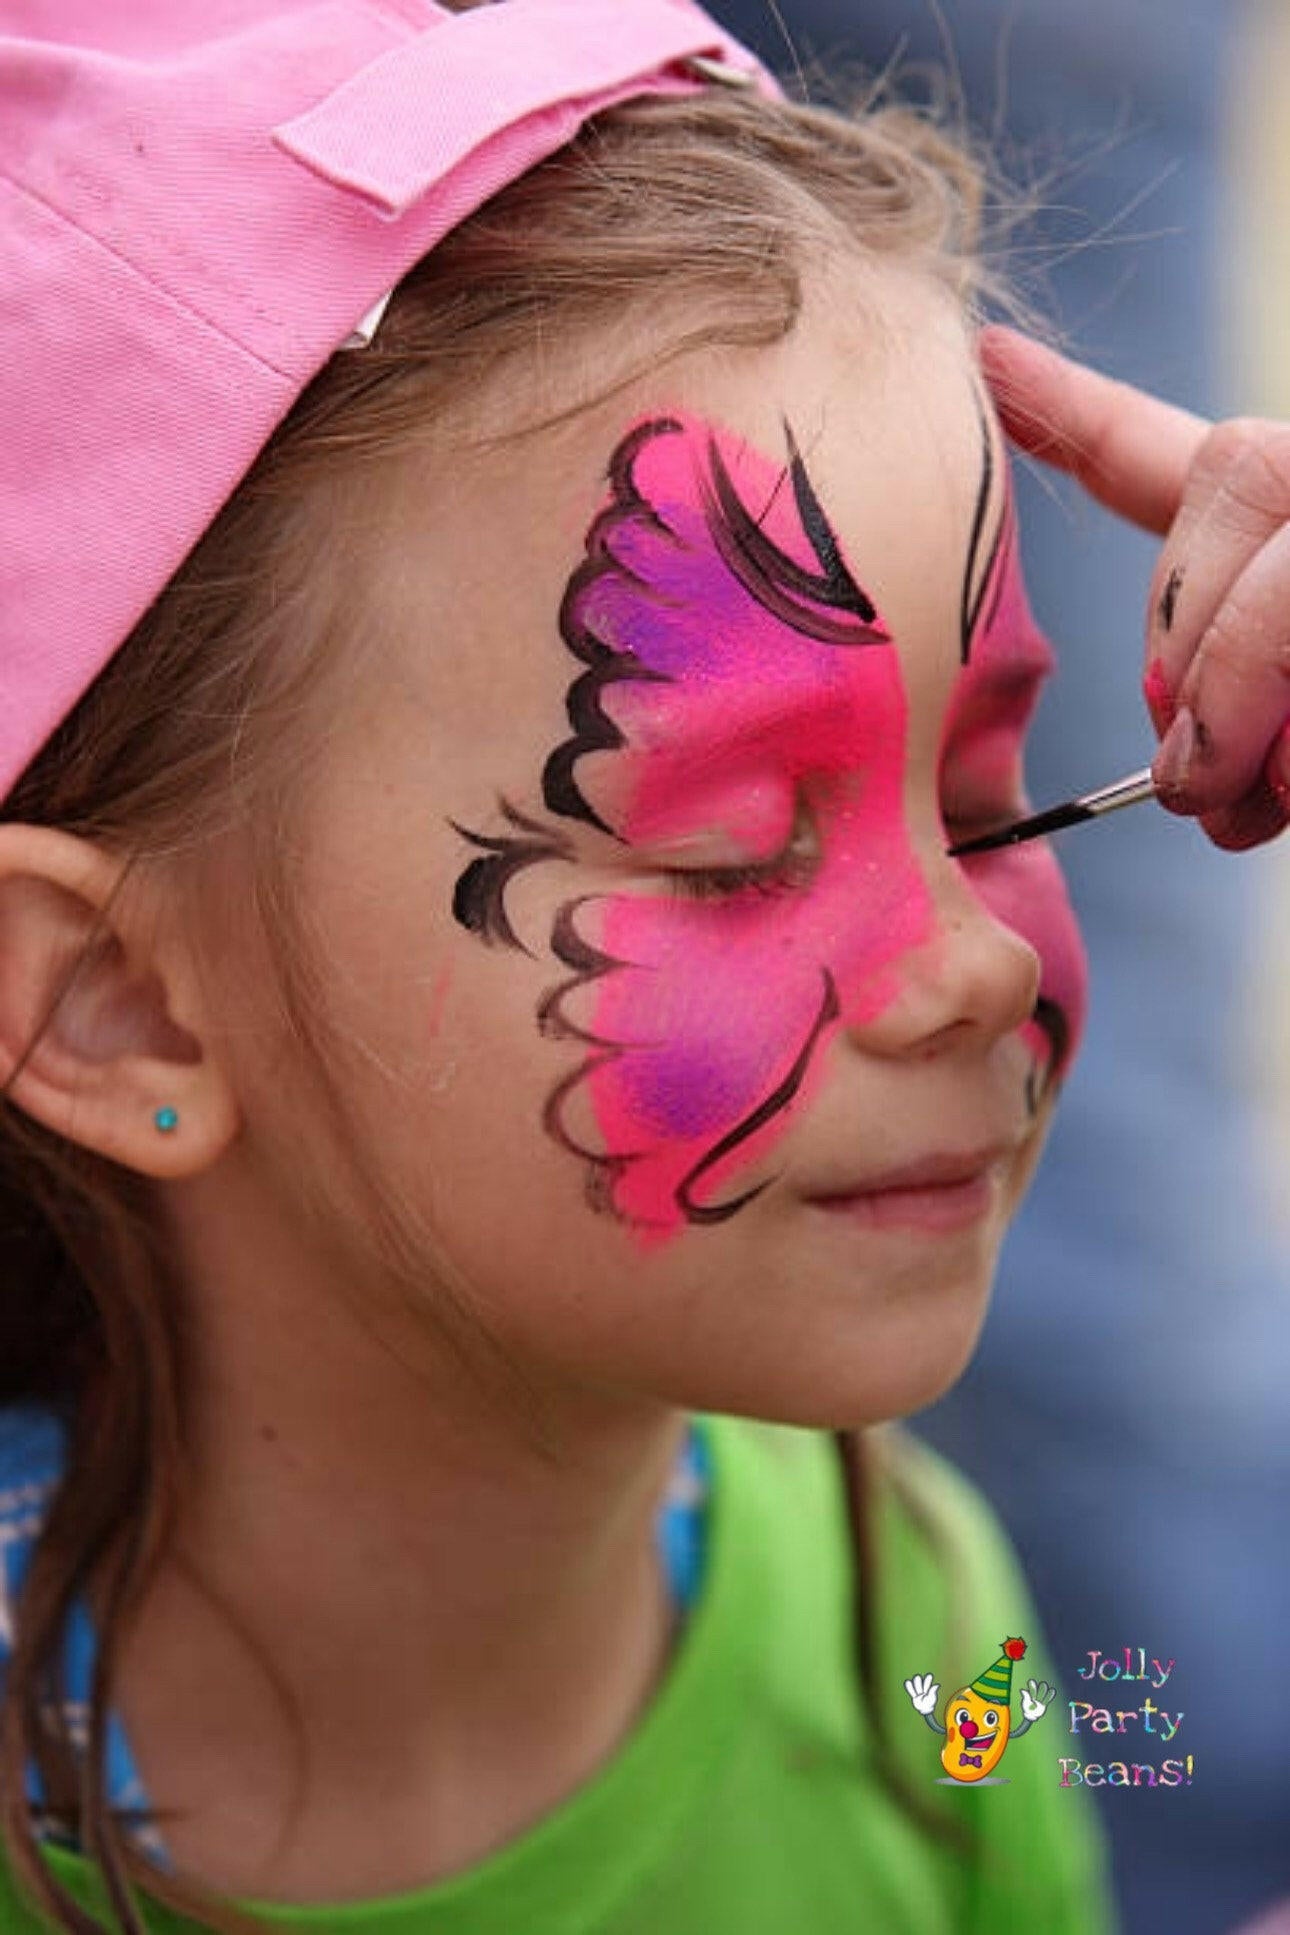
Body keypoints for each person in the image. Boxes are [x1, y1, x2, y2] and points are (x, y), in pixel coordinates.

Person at [0, 4, 1284, 1932]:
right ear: (122, 1003)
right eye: (726, 846)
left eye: (979, 784)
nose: (956, 966)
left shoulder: (944, 1659)